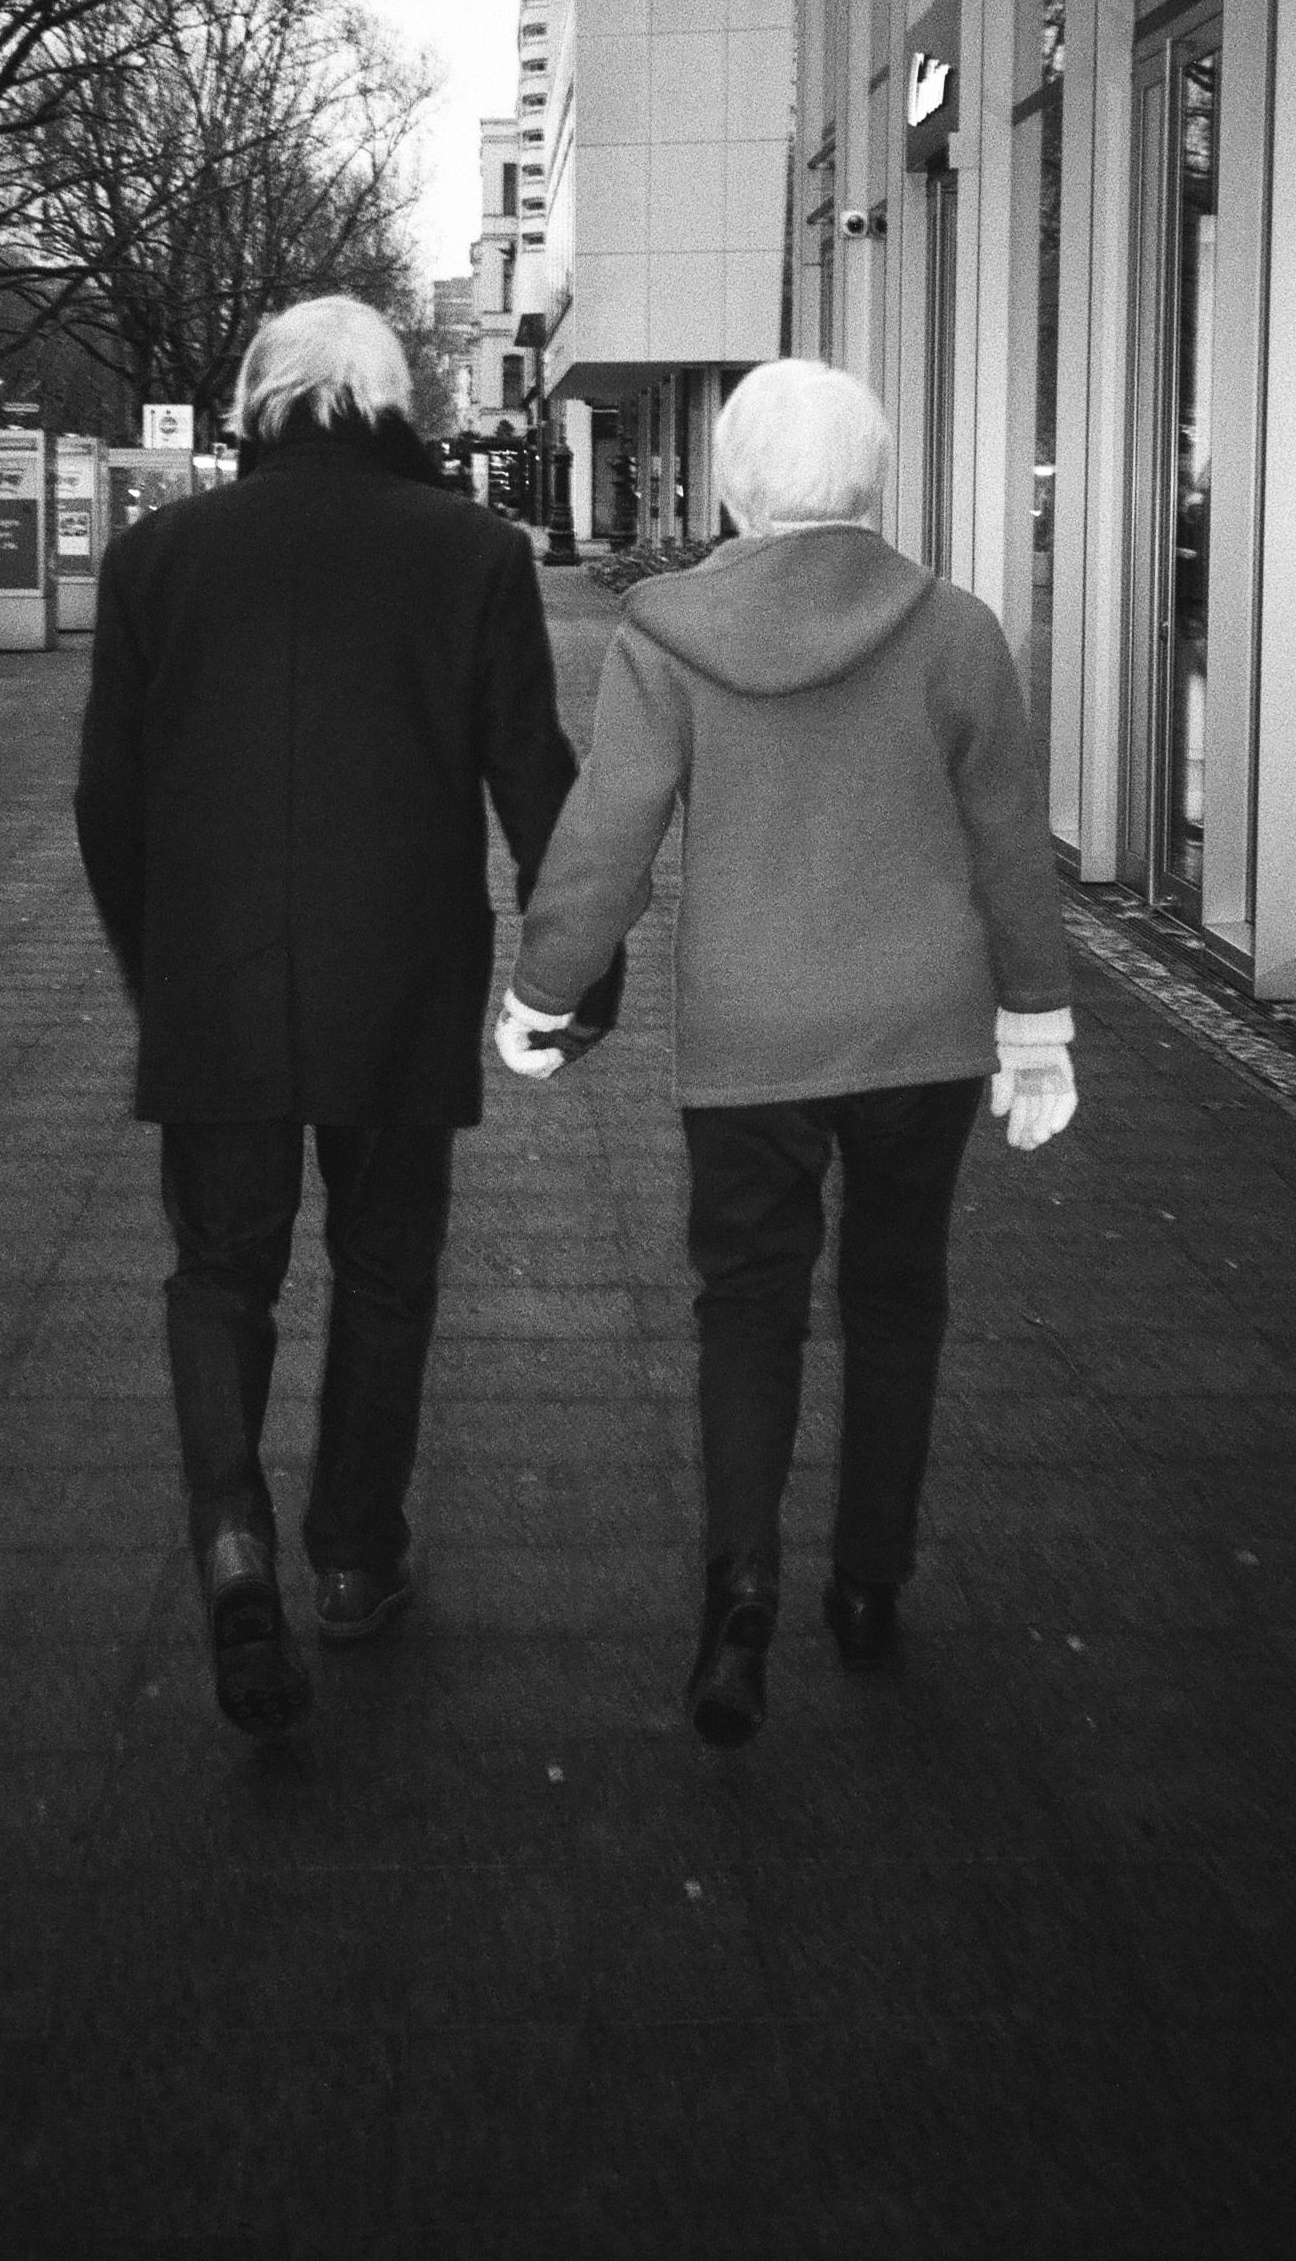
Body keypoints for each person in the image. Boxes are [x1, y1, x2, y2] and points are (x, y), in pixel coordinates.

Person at [496, 359, 1076, 1748]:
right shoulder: (956, 631)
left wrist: (542, 988)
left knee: (746, 1305)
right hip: (920, 1034)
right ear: (871, 477)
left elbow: (610, 829)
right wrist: (1035, 1023)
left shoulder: (672, 635)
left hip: (750, 1036)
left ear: (739, 485)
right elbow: (1009, 843)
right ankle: (868, 1583)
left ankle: (739, 1586)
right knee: (895, 1301)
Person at [75, 298, 616, 1738]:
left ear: (260, 400)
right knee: (386, 1272)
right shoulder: (473, 555)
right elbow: (530, 775)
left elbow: (108, 804)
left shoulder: (155, 562)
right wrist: (582, 964)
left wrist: (157, 968)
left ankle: (233, 1535)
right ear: (386, 401)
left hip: (218, 986)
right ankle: (356, 1555)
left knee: (217, 1273)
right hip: (401, 986)